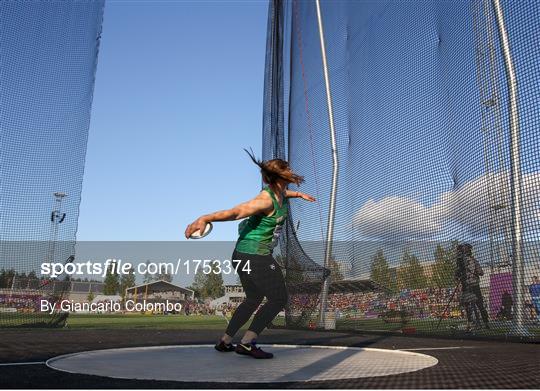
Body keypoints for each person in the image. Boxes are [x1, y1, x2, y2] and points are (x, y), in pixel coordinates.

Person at [185, 150, 315, 359]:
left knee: (254, 298)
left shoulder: (280, 193)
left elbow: (285, 194)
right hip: (254, 255)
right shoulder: (265, 199)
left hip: (244, 254)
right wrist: (205, 217)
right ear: (280, 175)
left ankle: (225, 341)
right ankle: (247, 343)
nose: (292, 171)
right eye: (288, 168)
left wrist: (299, 194)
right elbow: (237, 212)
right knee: (278, 298)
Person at [455, 243, 490, 331]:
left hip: (466, 285)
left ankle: (471, 323)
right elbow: (481, 272)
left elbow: (457, 275)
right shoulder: (473, 261)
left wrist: (460, 275)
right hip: (474, 285)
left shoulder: (460, 261)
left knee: (467, 305)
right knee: (480, 305)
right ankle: (486, 323)